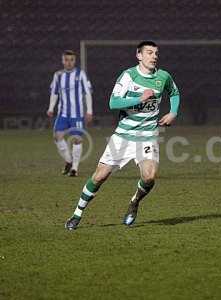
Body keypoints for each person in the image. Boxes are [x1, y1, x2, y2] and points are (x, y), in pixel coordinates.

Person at [65, 40, 180, 230]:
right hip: (123, 136)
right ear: (139, 55)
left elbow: (174, 93)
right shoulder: (128, 76)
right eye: (149, 53)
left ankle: (134, 202)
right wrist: (139, 98)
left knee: (150, 176)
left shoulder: (163, 77)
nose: (154, 56)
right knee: (99, 177)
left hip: (147, 136)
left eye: (156, 53)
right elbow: (113, 103)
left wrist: (173, 112)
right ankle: (77, 214)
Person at [47, 50, 93, 177]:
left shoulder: (81, 74)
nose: (68, 62)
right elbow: (54, 93)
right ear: (62, 61)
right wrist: (51, 108)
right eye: (66, 60)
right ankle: (68, 160)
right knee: (57, 137)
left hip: (77, 114)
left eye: (71, 60)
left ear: (74, 61)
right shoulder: (58, 75)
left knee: (77, 140)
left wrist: (89, 111)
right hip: (63, 113)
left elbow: (88, 93)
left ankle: (74, 168)